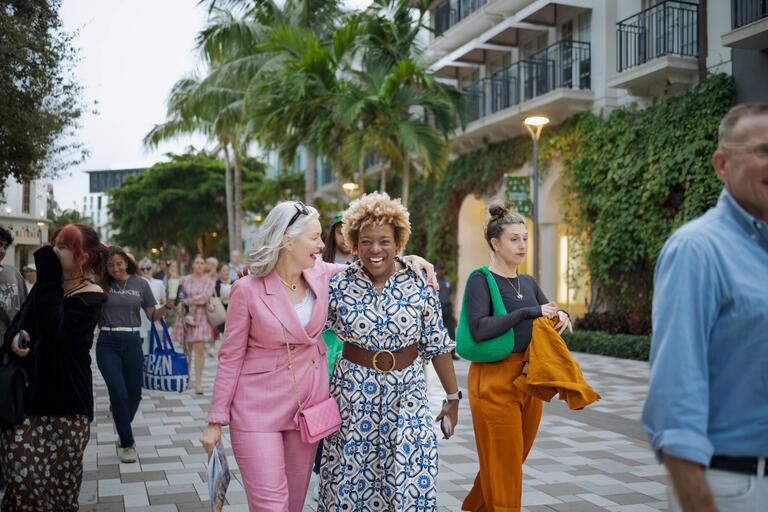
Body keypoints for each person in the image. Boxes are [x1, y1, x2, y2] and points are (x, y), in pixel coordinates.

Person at [201, 200, 437, 512]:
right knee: (271, 505)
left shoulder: (323, 274)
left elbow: (374, 263)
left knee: (294, 504)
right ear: (288, 240)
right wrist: (215, 421)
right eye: (314, 237)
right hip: (256, 411)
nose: (322, 245)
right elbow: (230, 357)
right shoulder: (247, 289)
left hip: (307, 410)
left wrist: (410, 260)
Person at [642, 103, 768, 512]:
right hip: (736, 488)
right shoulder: (697, 250)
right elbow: (674, 403)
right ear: (722, 164)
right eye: (763, 150)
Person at [318, 192, 460, 512]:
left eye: (384, 241)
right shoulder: (339, 285)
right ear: (354, 244)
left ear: (398, 243)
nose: (375, 250)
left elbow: (437, 344)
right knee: (351, 483)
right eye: (366, 242)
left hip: (408, 395)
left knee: (411, 478)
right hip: (353, 399)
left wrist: (453, 398)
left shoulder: (420, 283)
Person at [461, 203, 571, 512]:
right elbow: (479, 329)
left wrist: (561, 314)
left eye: (525, 238)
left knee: (511, 457)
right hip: (493, 380)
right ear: (495, 243)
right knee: (505, 462)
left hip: (529, 377)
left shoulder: (528, 282)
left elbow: (548, 312)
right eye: (514, 239)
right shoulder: (481, 280)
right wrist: (527, 312)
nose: (522, 245)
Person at [0, 224, 107, 510]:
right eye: (54, 244)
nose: (53, 251)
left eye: (62, 246)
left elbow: (54, 327)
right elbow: (17, 323)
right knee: (23, 483)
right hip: (26, 400)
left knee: (61, 493)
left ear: (83, 256)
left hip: (68, 406)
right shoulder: (45, 288)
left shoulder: (92, 295)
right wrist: (13, 339)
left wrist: (47, 275)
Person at [98, 246, 174, 463]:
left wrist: (168, 307)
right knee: (118, 393)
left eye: (119, 264)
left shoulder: (140, 283)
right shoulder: (101, 284)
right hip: (107, 342)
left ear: (127, 262)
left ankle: (123, 427)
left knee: (134, 394)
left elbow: (152, 315)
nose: (115, 269)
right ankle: (127, 443)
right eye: (110, 265)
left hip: (133, 341)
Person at [172, 254, 215, 395]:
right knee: (187, 350)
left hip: (202, 318)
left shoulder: (209, 281)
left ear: (205, 266)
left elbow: (205, 297)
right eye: (197, 262)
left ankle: (198, 383)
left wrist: (188, 300)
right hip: (186, 317)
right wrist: (184, 301)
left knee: (199, 349)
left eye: (202, 263)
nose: (199, 265)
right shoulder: (184, 280)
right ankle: (188, 379)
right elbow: (178, 297)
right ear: (192, 265)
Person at [0, 226, 28, 341]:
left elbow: (25, 308)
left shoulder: (14, 273)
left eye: (5, 247)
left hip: (12, 342)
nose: (2, 250)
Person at [138, 257, 167, 353]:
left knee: (156, 347)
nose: (146, 271)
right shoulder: (137, 283)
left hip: (157, 316)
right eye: (143, 269)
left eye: (148, 268)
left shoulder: (159, 283)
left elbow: (164, 300)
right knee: (143, 348)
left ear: (152, 269)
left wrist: (163, 313)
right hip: (142, 317)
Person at [435, 261, 459, 361]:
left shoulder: (447, 280)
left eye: (442, 269)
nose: (441, 271)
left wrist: (452, 307)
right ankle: (438, 353)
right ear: (436, 270)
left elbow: (451, 294)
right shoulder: (434, 280)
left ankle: (452, 353)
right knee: (437, 331)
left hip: (448, 308)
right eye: (439, 269)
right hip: (438, 309)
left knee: (451, 330)